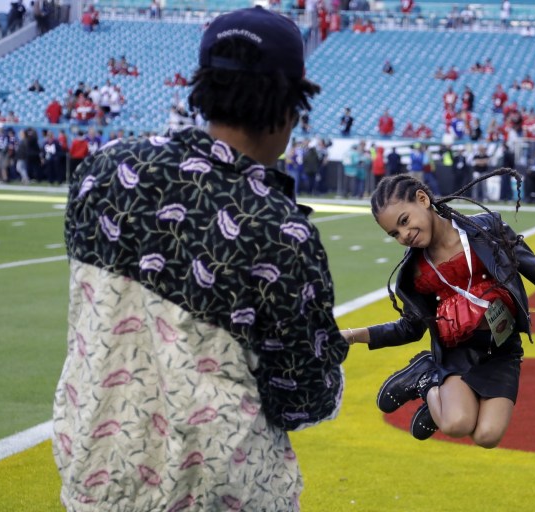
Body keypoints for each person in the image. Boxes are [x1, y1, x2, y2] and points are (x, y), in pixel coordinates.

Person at [54, 7, 348, 511]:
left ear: (204, 86)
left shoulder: (102, 171)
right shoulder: (277, 227)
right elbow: (304, 398)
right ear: (290, 105)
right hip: (220, 492)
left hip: (98, 476)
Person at [342, 173, 535, 442]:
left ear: (423, 199)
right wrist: (353, 335)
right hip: (456, 351)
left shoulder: (487, 230)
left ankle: (438, 392)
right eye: (394, 233)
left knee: (488, 435)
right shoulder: (414, 273)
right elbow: (410, 328)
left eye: (404, 221)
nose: (403, 235)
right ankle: (427, 381)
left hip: (502, 348)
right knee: (458, 424)